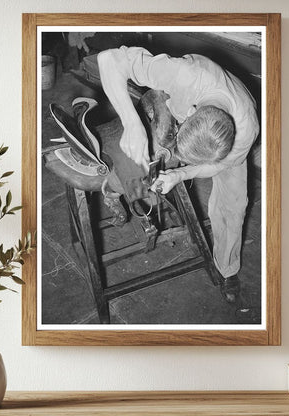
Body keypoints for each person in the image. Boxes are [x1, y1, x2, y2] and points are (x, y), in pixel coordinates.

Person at [97, 45, 260, 303]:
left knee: (234, 205)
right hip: (176, 97)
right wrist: (131, 123)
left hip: (225, 141)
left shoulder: (246, 129)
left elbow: (218, 165)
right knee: (138, 155)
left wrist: (180, 175)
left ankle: (228, 268)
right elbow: (108, 58)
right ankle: (124, 191)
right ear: (191, 113)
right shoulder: (185, 74)